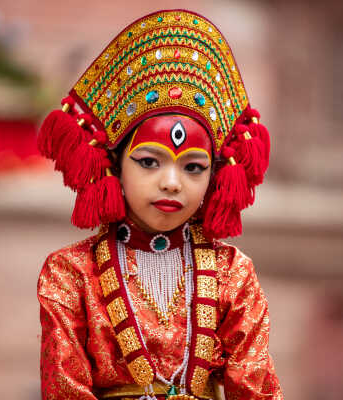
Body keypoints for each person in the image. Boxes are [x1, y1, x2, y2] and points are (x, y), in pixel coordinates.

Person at [36, 9, 282, 400]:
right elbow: (66, 390)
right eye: (149, 162)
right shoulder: (71, 274)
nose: (171, 182)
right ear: (115, 164)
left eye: (194, 167)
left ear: (214, 176)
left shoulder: (233, 274)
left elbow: (255, 391)